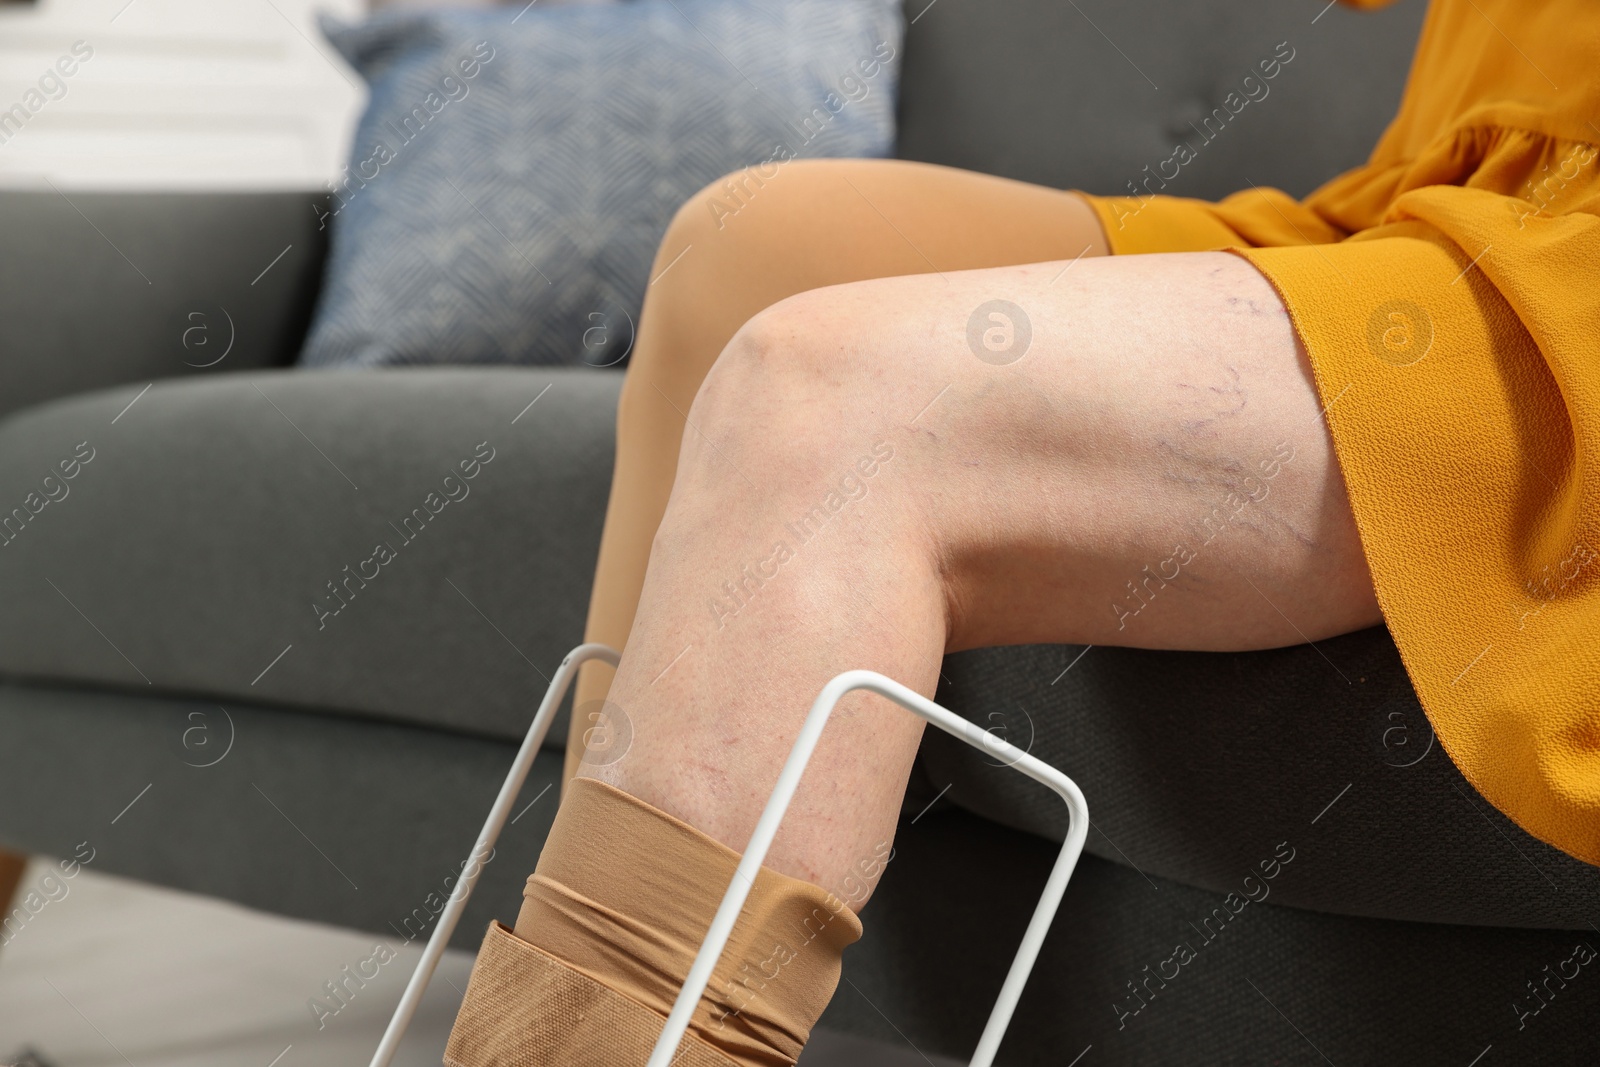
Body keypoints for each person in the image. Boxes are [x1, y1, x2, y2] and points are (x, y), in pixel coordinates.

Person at [445, 0, 1600, 1062]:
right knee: (736, 249)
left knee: (822, 401)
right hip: (1440, 191)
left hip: (1562, 285)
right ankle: (614, 932)